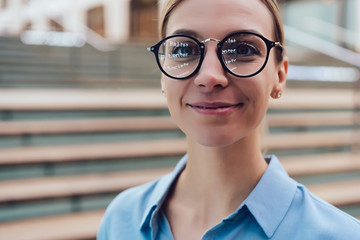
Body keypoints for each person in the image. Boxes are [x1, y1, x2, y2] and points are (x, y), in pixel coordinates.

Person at [97, 0, 360, 239]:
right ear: (163, 76)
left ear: (279, 76)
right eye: (183, 50)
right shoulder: (121, 218)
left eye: (243, 48)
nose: (210, 76)